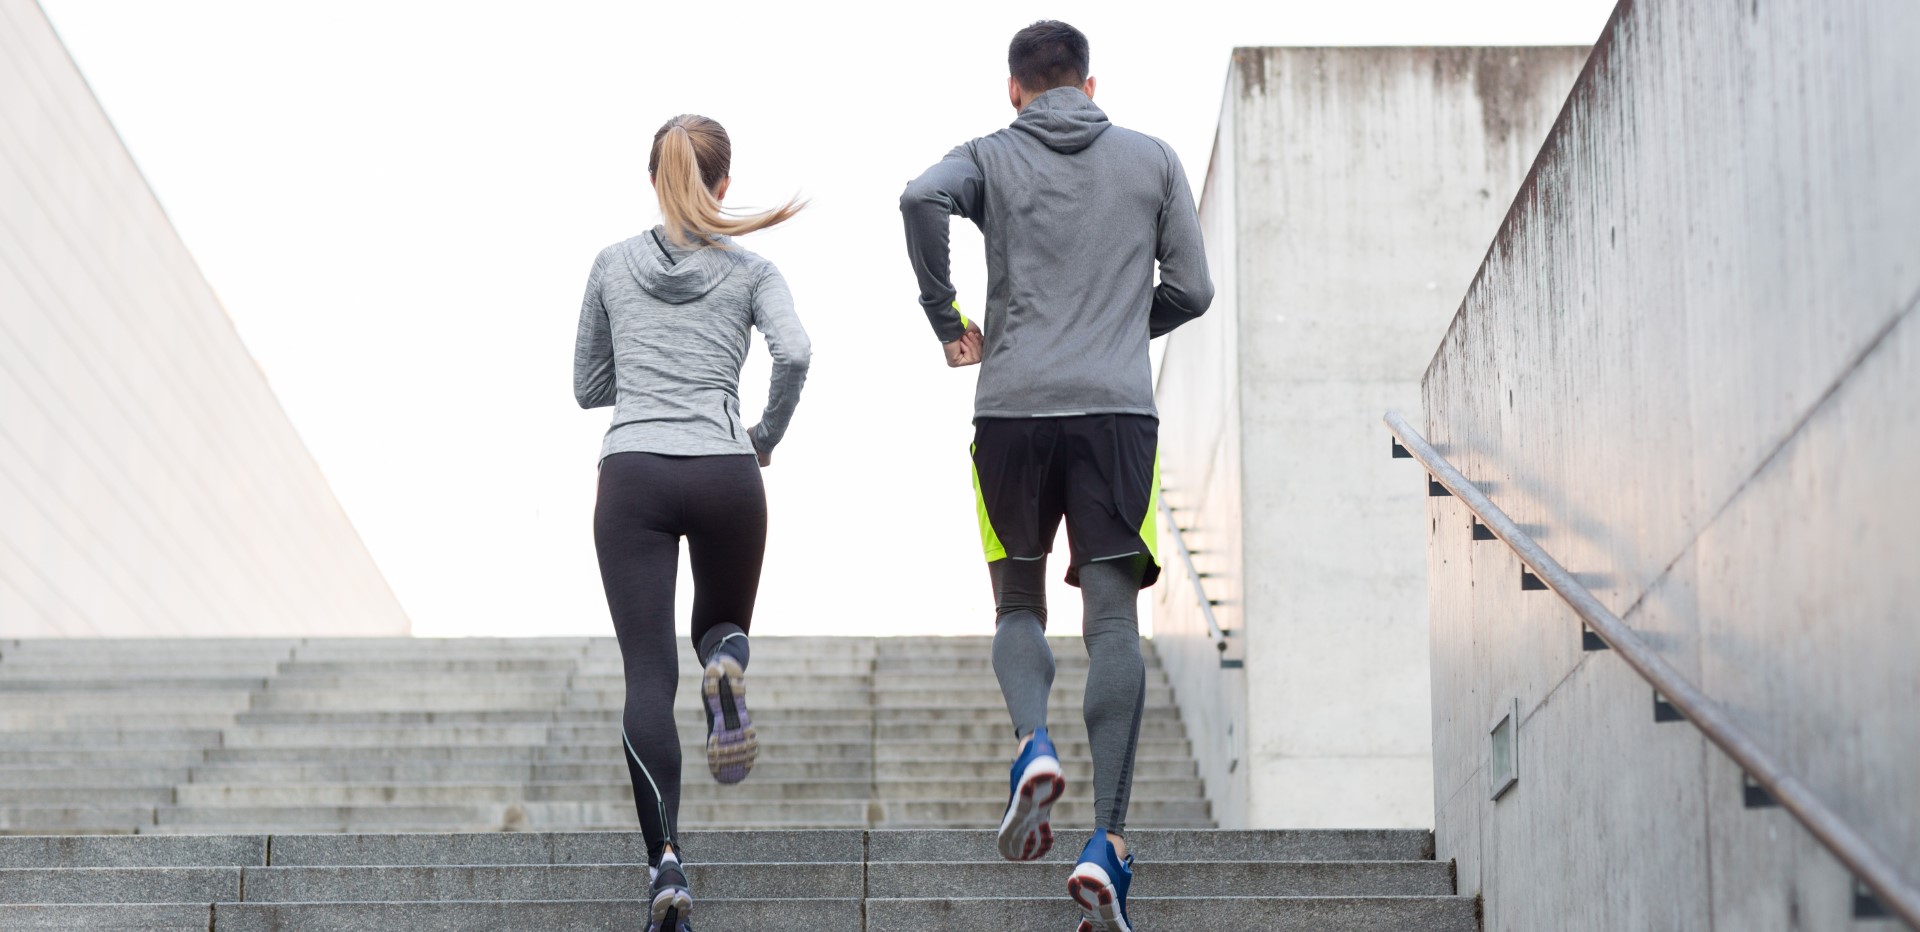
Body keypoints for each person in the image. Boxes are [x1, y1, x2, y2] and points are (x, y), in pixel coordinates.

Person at [899, 19, 1213, 932]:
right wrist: (1116, 326)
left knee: (1018, 607)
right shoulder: (1152, 159)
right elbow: (1193, 290)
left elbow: (919, 197)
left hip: (1011, 412)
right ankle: (1104, 841)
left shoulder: (988, 154)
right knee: (1112, 621)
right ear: (1089, 82)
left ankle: (1032, 742)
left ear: (1015, 88)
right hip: (1117, 416)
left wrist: (947, 317)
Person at [574, 113, 809, 932]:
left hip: (633, 472)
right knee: (718, 627)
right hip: (726, 469)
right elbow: (796, 352)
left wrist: (647, 374)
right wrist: (763, 435)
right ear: (724, 183)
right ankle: (728, 664)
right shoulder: (753, 270)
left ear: (653, 179)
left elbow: (586, 385)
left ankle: (666, 864)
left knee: (648, 675)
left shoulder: (612, 264)